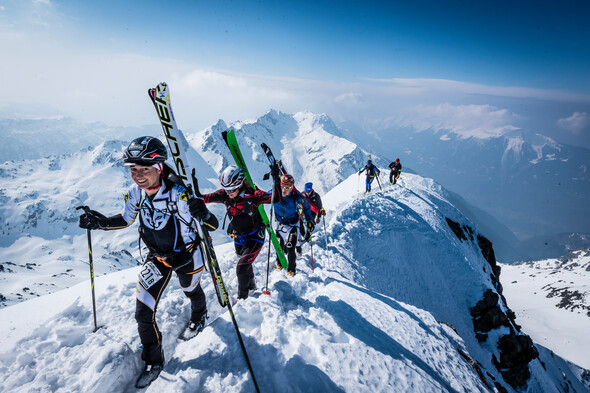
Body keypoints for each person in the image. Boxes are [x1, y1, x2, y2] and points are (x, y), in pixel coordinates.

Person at [78, 136, 218, 388]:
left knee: (190, 289)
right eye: (133, 169)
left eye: (144, 169)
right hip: (157, 258)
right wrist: (100, 222)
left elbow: (212, 225)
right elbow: (125, 218)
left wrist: (203, 212)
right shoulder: (135, 193)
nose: (138, 175)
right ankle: (154, 360)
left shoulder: (179, 194)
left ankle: (199, 313)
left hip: (186, 255)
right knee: (142, 313)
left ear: (159, 167)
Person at [201, 164, 280, 299]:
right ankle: (252, 286)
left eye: (231, 189)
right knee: (245, 264)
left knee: (241, 268)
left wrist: (276, 179)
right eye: (226, 189)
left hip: (255, 237)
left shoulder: (253, 195)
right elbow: (203, 198)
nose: (228, 192)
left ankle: (242, 299)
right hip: (239, 237)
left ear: (240, 184)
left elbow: (276, 198)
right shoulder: (224, 195)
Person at [273, 174, 314, 276]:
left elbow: (307, 206)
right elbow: (262, 196)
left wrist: (309, 220)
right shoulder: (275, 194)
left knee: (290, 246)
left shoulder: (296, 197)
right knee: (279, 245)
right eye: (282, 187)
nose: (284, 190)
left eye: (287, 188)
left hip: (292, 225)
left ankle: (291, 269)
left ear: (292, 188)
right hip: (280, 225)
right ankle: (280, 263)